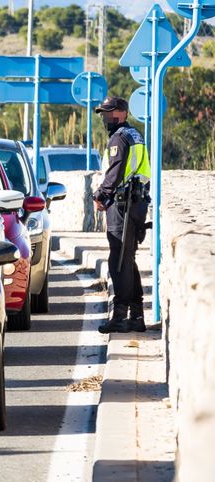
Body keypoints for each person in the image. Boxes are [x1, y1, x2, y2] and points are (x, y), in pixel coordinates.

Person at [92, 96, 150, 334]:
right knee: (128, 261)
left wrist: (101, 195)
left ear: (122, 113)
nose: (106, 117)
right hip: (136, 204)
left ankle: (120, 316)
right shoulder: (135, 134)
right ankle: (136, 315)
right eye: (104, 113)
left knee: (118, 262)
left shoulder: (119, 138)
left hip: (122, 205)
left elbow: (115, 172)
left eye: (109, 112)